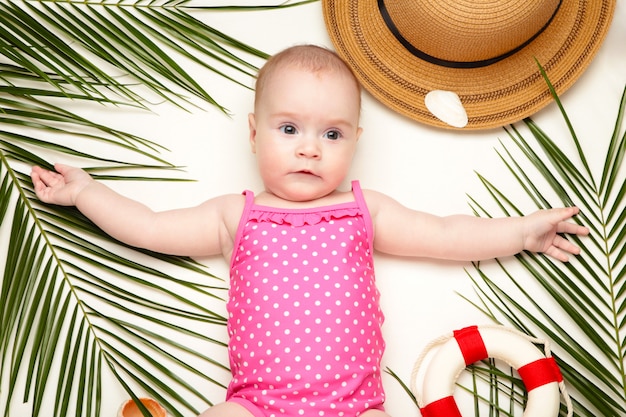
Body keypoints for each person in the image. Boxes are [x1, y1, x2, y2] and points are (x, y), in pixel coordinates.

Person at [30, 45, 589, 417]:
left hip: (357, 406)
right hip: (255, 405)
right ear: (254, 133)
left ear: (356, 140)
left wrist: (521, 233)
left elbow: (446, 235)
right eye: (290, 128)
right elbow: (149, 226)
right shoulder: (237, 215)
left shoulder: (362, 210)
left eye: (332, 134)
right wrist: (86, 194)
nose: (308, 148)